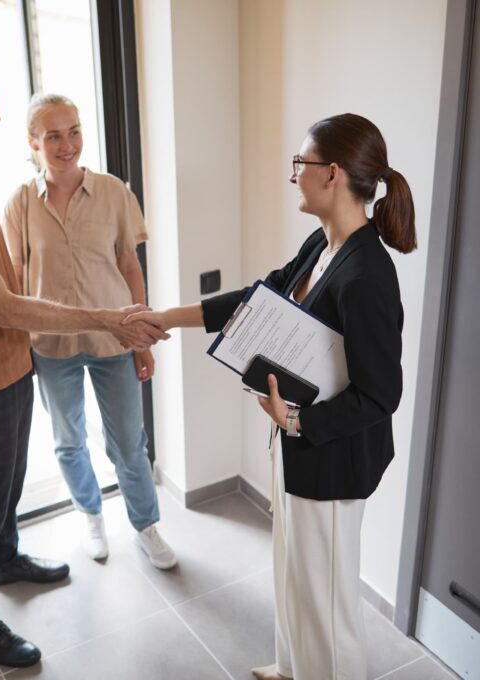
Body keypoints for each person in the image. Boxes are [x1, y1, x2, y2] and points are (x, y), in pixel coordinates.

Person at [0, 53, 168, 669]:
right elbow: (8, 304)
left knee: (9, 487)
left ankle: (7, 558)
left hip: (16, 369)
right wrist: (107, 319)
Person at [124, 113, 416, 680]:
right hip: (295, 439)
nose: (293, 176)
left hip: (331, 460)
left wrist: (299, 423)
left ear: (331, 174)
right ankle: (291, 667)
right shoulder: (323, 244)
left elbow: (382, 396)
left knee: (328, 608)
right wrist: (165, 318)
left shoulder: (368, 276)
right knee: (291, 574)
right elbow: (257, 299)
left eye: (299, 164)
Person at [3, 93, 176, 569]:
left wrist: (141, 336)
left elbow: (128, 265)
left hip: (113, 340)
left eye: (74, 131)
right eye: (54, 135)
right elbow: (16, 275)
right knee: (68, 440)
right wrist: (19, 344)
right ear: (33, 142)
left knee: (128, 442)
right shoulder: (19, 203)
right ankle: (91, 516)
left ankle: (146, 526)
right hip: (51, 346)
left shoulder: (114, 193)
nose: (67, 144)